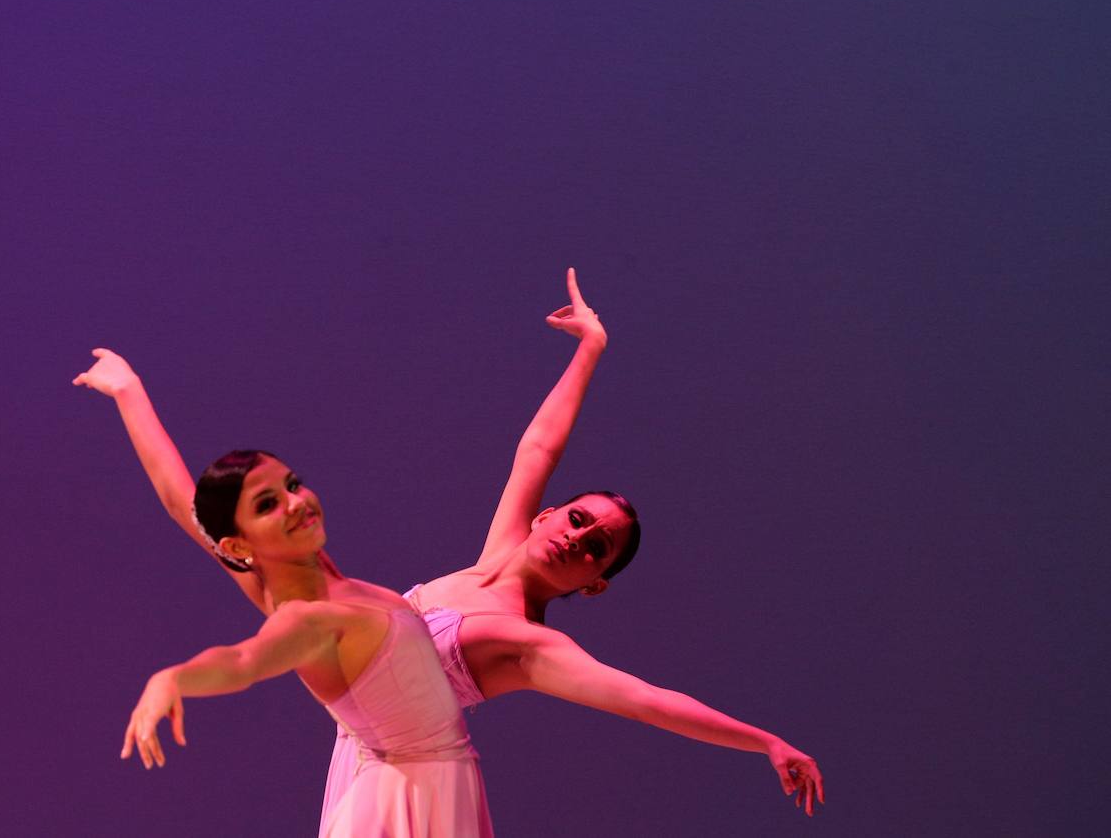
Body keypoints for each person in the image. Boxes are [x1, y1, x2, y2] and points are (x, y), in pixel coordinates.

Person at [74, 268, 824, 818]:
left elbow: (645, 701)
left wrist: (763, 742)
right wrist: (130, 389)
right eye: (578, 518)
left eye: (596, 548)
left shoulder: (527, 647)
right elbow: (537, 448)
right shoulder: (421, 567)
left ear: (593, 584)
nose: (578, 536)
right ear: (544, 517)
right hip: (373, 761)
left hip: (419, 786)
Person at [117, 449, 493, 837]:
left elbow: (181, 500)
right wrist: (172, 679)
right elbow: (243, 661)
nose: (296, 503)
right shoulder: (305, 619)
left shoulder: (320, 577)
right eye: (268, 505)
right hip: (403, 804)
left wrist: (128, 390)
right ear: (238, 547)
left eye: (292, 484)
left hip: (429, 786)